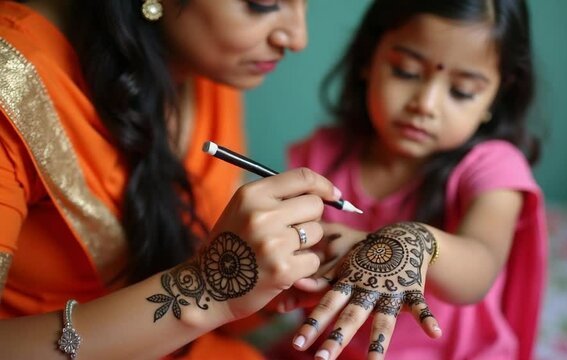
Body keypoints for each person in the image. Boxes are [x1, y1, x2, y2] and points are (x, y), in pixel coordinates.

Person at [0, 0, 345, 358]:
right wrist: (205, 288)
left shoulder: (209, 67)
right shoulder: (11, 84)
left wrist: (285, 275)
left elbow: (220, 300)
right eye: (263, 4)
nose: (298, 39)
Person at [269, 0, 547, 359]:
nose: (426, 103)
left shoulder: (492, 167)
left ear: (498, 94)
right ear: (369, 58)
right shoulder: (319, 156)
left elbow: (480, 266)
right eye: (406, 71)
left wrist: (411, 242)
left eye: (461, 91)